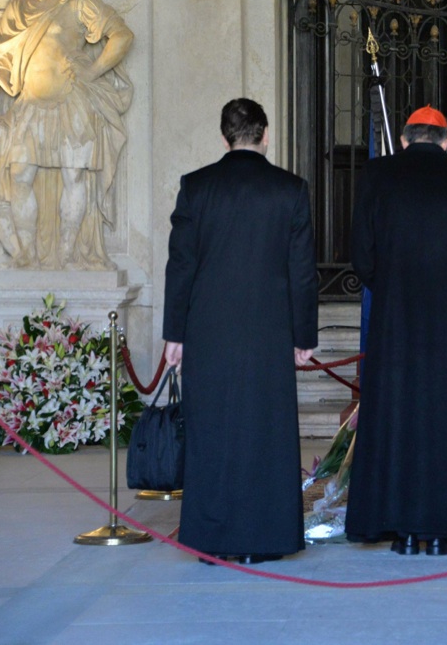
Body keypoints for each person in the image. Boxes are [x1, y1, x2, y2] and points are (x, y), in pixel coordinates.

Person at [163, 98, 318, 564]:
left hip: (208, 329)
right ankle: (265, 539)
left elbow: (181, 265)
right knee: (265, 432)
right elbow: (303, 270)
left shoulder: (196, 186)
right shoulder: (290, 189)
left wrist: (175, 333)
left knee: (212, 433)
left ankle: (211, 542)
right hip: (269, 330)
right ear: (264, 134)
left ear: (224, 136)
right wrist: (304, 335)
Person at [345, 105, 447, 555]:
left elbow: (362, 258)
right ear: (445, 141)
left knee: (399, 417)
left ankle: (403, 529)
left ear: (404, 139)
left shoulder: (377, 176)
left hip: (396, 321)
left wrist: (395, 286)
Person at [0, 0, 134, 270]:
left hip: (72, 101)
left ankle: (67, 250)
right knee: (19, 174)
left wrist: (93, 70)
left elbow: (122, 35)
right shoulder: (20, 4)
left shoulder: (79, 1)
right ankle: (27, 251)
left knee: (74, 174)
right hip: (31, 102)